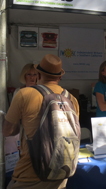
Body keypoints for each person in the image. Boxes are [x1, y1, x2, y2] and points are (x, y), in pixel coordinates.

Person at [2, 54, 79, 189]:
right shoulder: (72, 99)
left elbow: (7, 131)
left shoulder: (24, 94)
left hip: (29, 175)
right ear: (60, 77)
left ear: (38, 74)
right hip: (60, 174)